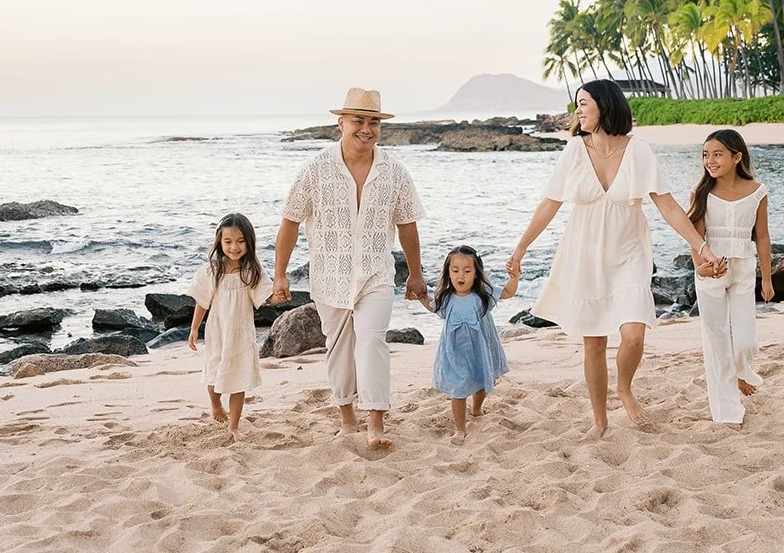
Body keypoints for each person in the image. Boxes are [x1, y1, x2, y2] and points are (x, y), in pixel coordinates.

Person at [505, 78, 721, 437]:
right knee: (594, 341)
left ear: (604, 105)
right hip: (585, 253)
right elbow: (550, 203)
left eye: (583, 103)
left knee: (634, 332)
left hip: (629, 252)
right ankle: (599, 420)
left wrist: (701, 246)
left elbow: (666, 205)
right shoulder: (574, 151)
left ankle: (624, 387)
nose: (578, 111)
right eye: (577, 104)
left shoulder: (637, 150)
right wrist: (520, 247)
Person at [271, 87, 429, 451]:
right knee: (339, 348)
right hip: (330, 276)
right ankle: (347, 417)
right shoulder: (316, 169)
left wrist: (417, 274)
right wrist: (280, 273)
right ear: (340, 123)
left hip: (377, 274)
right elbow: (291, 221)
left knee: (372, 341)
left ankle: (375, 419)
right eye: (358, 120)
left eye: (373, 122)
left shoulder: (394, 171)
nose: (367, 129)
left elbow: (407, 225)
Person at [688, 129, 771, 427]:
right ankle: (727, 412)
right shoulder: (700, 194)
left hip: (744, 271)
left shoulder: (758, 191)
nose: (710, 160)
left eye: (718, 154)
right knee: (717, 345)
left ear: (737, 157)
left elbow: (762, 236)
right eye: (706, 155)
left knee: (745, 340)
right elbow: (695, 238)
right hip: (711, 274)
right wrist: (702, 268)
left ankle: (742, 372)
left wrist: (767, 278)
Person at [187, 213, 271, 442]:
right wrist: (194, 328)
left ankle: (234, 425)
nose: (234, 247)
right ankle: (215, 404)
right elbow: (202, 301)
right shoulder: (213, 270)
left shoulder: (252, 270)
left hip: (241, 333)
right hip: (218, 332)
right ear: (219, 242)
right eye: (228, 242)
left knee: (238, 377)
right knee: (214, 374)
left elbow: (265, 295)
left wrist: (280, 292)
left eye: (240, 241)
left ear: (249, 242)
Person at [419, 245, 509, 444]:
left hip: (479, 350)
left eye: (467, 271)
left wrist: (515, 276)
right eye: (455, 270)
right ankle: (460, 428)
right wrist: (421, 296)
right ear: (448, 273)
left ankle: (476, 409)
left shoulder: (483, 295)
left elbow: (508, 292)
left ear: (476, 274)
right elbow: (433, 307)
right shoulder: (446, 298)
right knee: (458, 389)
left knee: (481, 381)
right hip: (455, 352)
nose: (461, 275)